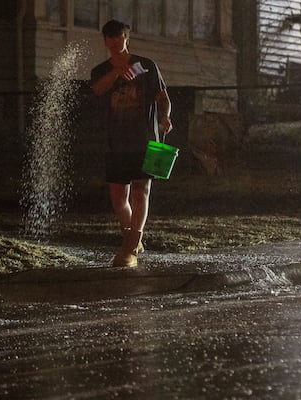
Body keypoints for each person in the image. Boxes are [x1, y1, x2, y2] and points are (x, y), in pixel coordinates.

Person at [91, 20, 172, 267]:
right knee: (118, 196)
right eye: (110, 38)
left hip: (145, 139)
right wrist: (117, 72)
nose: (114, 42)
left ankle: (129, 248)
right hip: (116, 142)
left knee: (140, 190)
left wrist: (165, 116)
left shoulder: (145, 66)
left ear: (127, 38)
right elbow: (97, 90)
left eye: (119, 37)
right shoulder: (101, 70)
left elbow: (163, 97)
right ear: (105, 41)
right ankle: (132, 238)